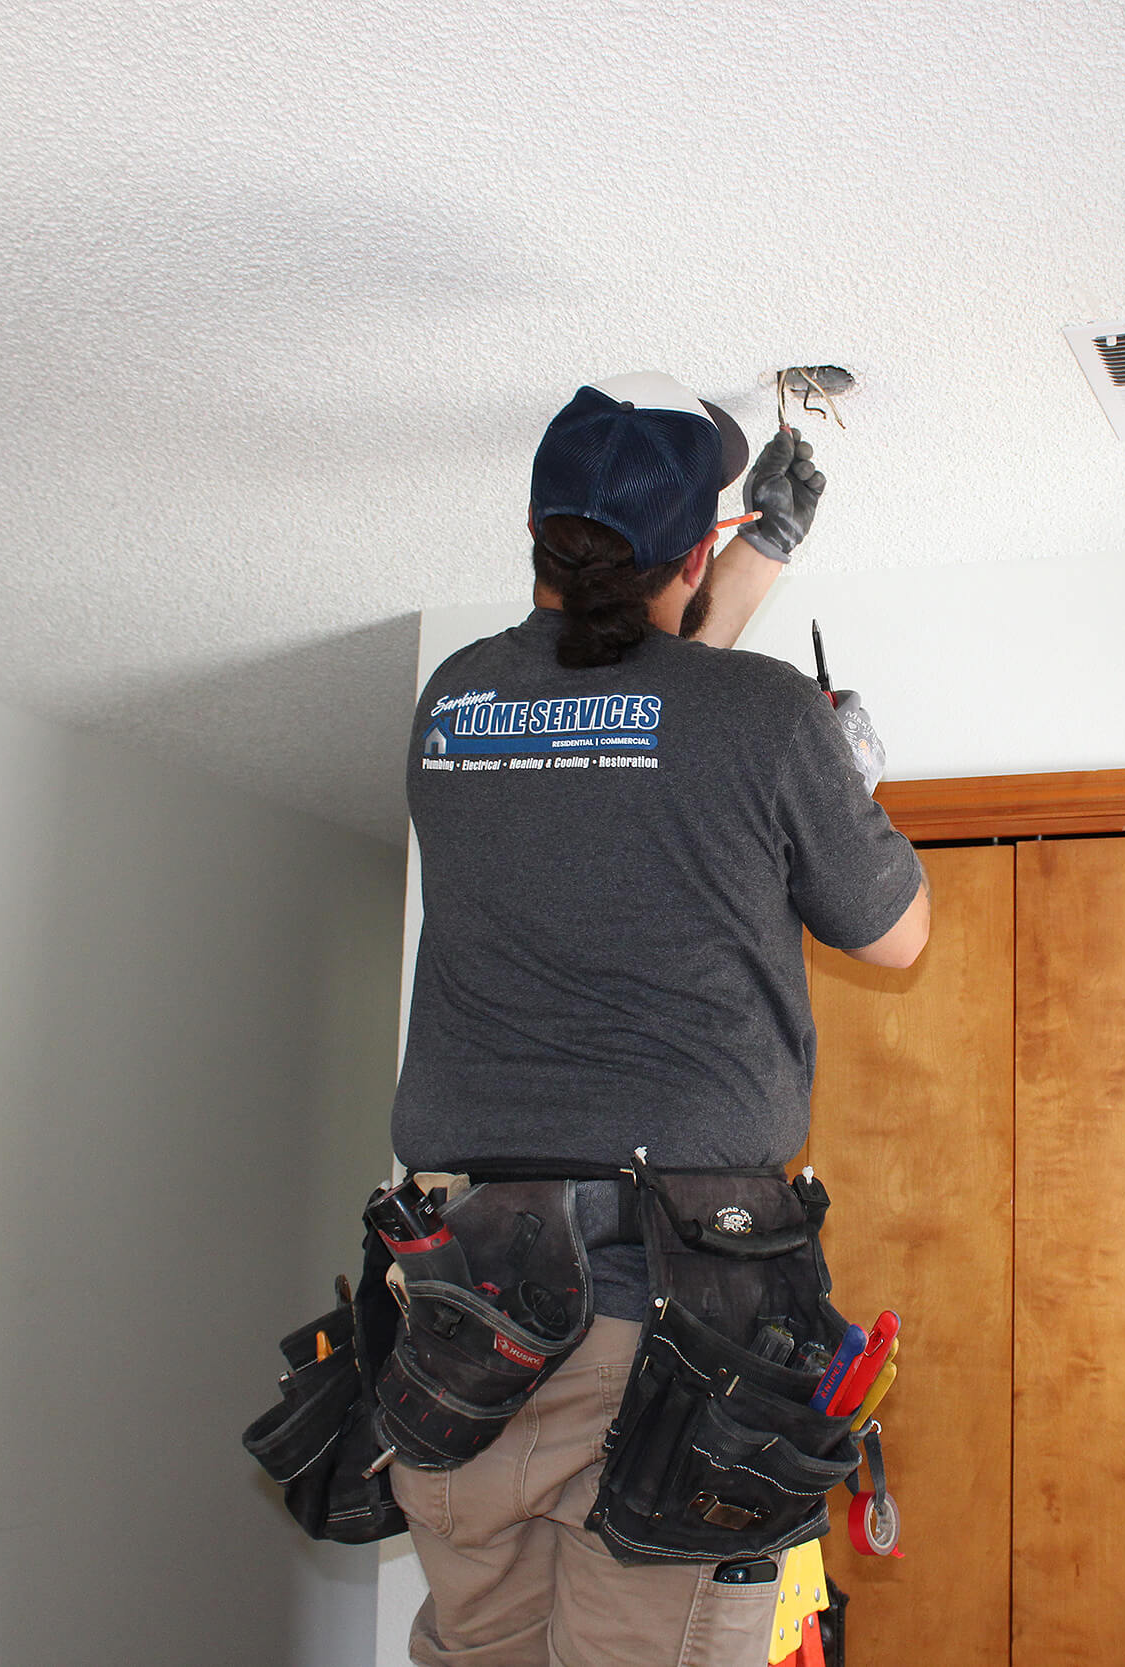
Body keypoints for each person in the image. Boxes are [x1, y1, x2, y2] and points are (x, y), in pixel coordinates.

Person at [387, 373, 930, 1667]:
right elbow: (896, 937)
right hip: (670, 1331)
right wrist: (847, 781)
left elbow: (632, 703)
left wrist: (759, 556)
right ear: (692, 554)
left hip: (464, 1318)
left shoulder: (454, 702)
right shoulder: (767, 718)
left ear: (537, 536)